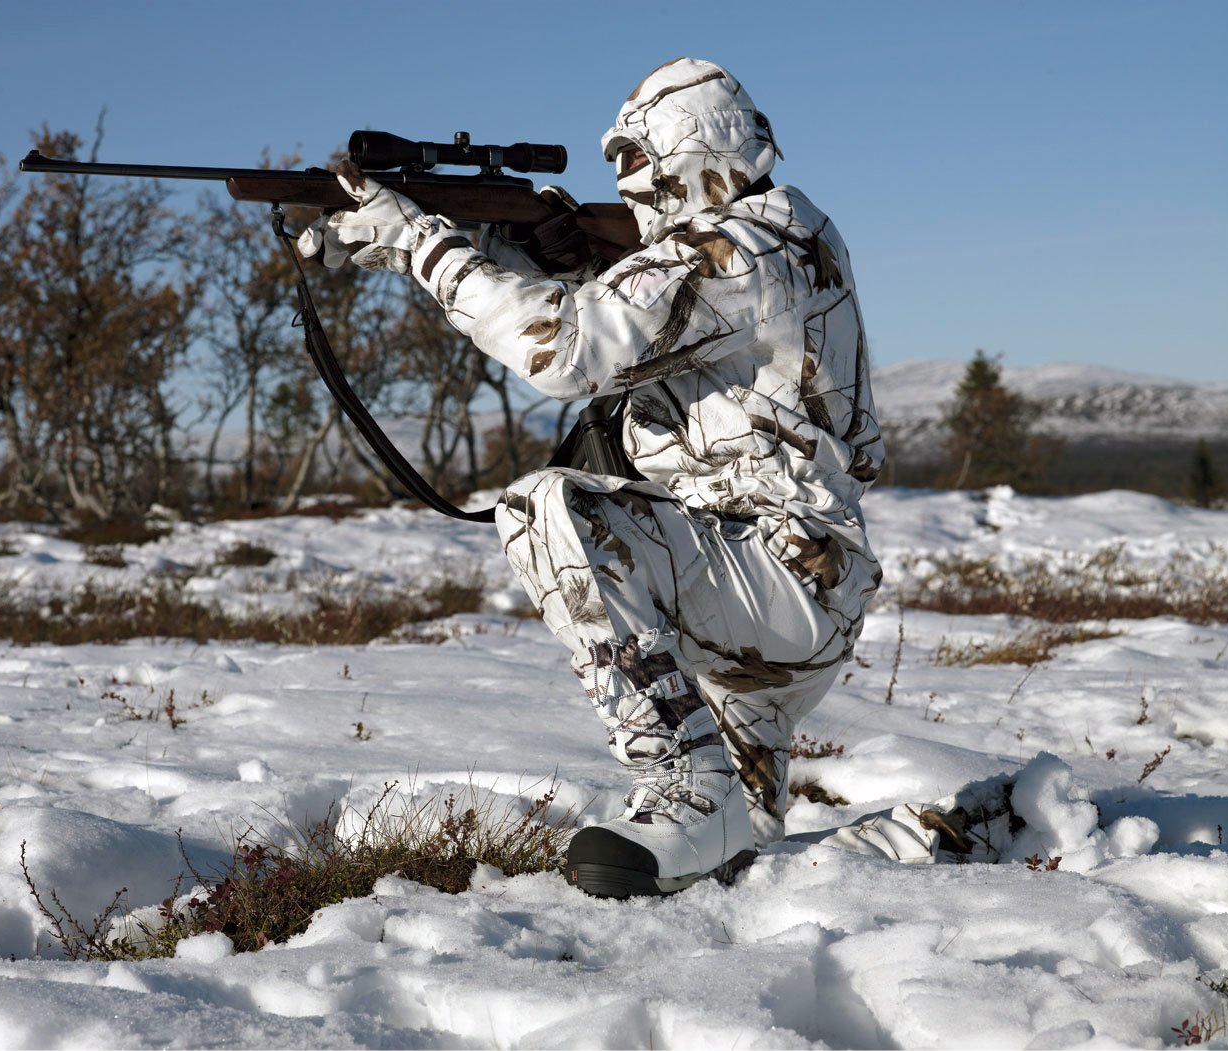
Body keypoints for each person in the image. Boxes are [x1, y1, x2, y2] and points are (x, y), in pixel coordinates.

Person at [300, 58, 896, 897]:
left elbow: (568, 349)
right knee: (745, 865)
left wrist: (423, 244)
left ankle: (688, 781)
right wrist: (508, 247)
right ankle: (958, 824)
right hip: (771, 595)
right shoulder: (791, 236)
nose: (633, 187)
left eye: (641, 162)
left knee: (548, 508)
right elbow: (642, 325)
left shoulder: (742, 244)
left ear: (692, 152)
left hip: (779, 579)